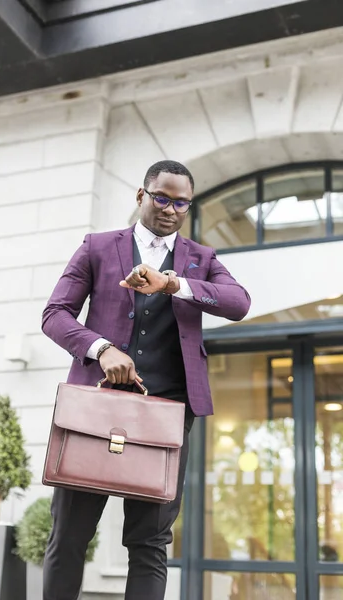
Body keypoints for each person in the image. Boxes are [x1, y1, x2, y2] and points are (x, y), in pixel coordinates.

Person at [41, 160, 251, 600]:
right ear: (141, 196)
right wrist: (101, 349)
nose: (171, 209)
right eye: (162, 198)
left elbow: (238, 302)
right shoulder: (98, 247)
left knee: (150, 544)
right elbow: (55, 314)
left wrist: (174, 284)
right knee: (69, 539)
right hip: (94, 410)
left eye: (181, 203)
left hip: (167, 414)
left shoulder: (201, 259)